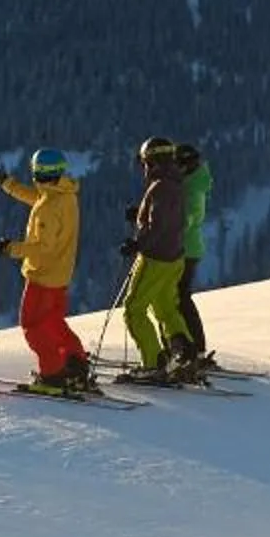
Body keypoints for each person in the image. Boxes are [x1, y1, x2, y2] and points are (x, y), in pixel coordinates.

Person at [0, 147, 93, 389]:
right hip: (60, 275)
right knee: (54, 322)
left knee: (32, 326)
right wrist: (7, 184)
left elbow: (43, 247)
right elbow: (37, 198)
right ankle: (75, 362)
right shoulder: (65, 196)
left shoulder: (48, 207)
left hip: (42, 276)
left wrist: (12, 249)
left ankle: (52, 374)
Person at [117, 137, 192, 379]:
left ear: (151, 162)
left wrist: (138, 243)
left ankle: (152, 364)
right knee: (166, 307)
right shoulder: (176, 183)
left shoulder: (160, 186)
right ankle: (185, 354)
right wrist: (140, 215)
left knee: (133, 309)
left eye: (144, 163)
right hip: (175, 257)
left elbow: (158, 225)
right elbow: (167, 220)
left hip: (155, 258)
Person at [171, 140, 215, 368]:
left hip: (184, 248)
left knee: (179, 298)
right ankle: (193, 347)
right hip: (189, 248)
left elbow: (188, 218)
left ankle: (193, 348)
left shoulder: (192, 187)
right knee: (181, 298)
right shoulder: (193, 181)